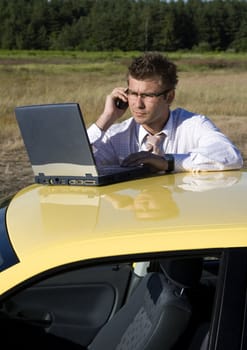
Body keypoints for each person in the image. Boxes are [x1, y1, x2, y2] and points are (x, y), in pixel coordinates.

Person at [87, 52, 243, 173]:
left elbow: (230, 156)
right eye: (133, 94)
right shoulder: (117, 134)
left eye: (147, 95)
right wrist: (105, 119)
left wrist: (167, 162)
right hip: (133, 211)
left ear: (169, 97)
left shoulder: (193, 125)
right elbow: (74, 164)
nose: (138, 104)